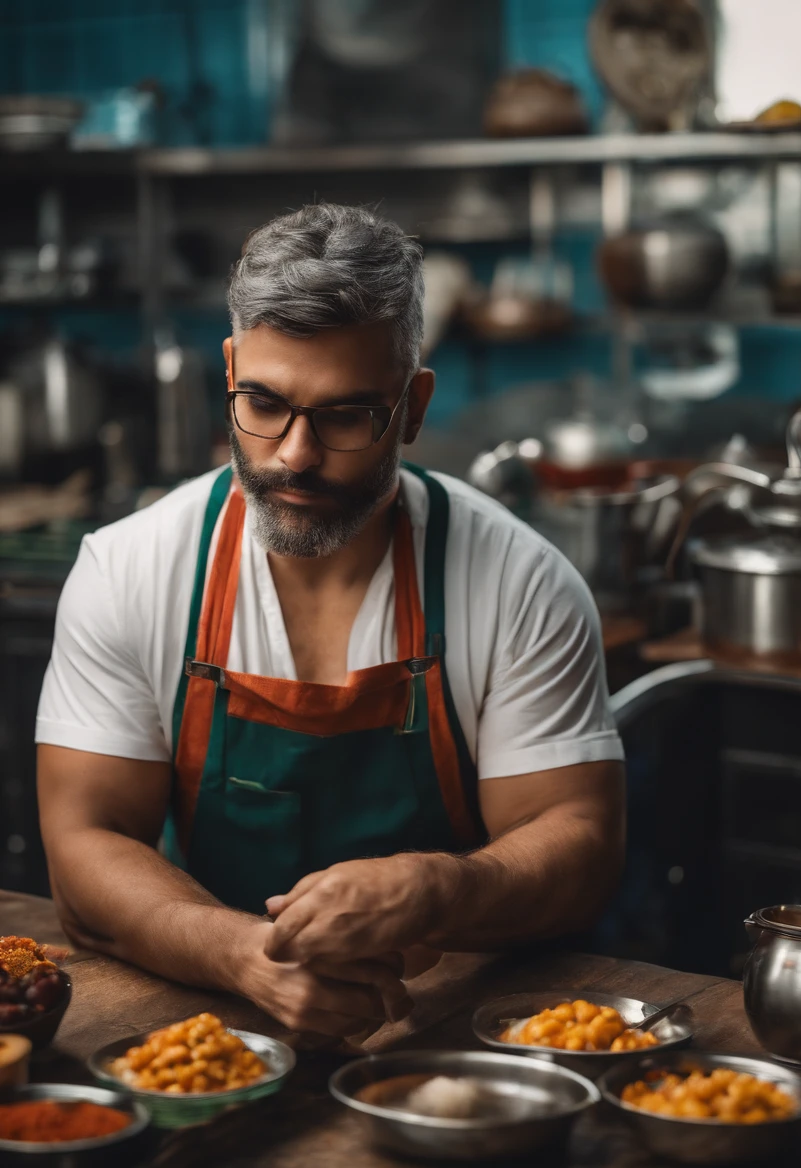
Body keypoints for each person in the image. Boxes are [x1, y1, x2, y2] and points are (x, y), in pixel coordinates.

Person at [37, 204, 625, 1041]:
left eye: (346, 415)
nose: (294, 455)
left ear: (412, 407)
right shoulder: (129, 568)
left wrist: (440, 888)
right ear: (232, 366)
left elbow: (582, 843)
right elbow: (84, 844)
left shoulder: (521, 581)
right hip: (209, 1019)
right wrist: (242, 956)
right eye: (265, 403)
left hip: (454, 1025)